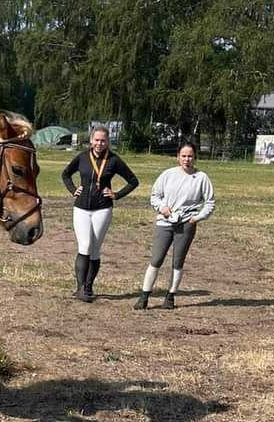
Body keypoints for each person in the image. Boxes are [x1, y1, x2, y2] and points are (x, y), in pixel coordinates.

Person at [60, 126, 139, 301]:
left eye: (103, 140)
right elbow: (66, 174)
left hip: (103, 209)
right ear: (91, 140)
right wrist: (73, 189)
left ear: (108, 141)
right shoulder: (82, 157)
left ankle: (88, 287)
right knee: (85, 245)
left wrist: (116, 194)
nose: (99, 143)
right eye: (96, 140)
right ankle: (80, 288)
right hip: (81, 208)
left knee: (95, 249)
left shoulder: (113, 160)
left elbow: (133, 181)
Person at [134, 141, 215, 310]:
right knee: (156, 259)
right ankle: (144, 296)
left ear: (195, 158)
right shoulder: (167, 175)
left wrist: (198, 217)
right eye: (183, 156)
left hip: (186, 225)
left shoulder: (201, 178)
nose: (187, 159)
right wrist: (162, 208)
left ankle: (170, 296)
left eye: (190, 156)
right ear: (177, 157)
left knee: (178, 262)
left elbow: (209, 202)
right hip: (165, 223)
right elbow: (155, 195)